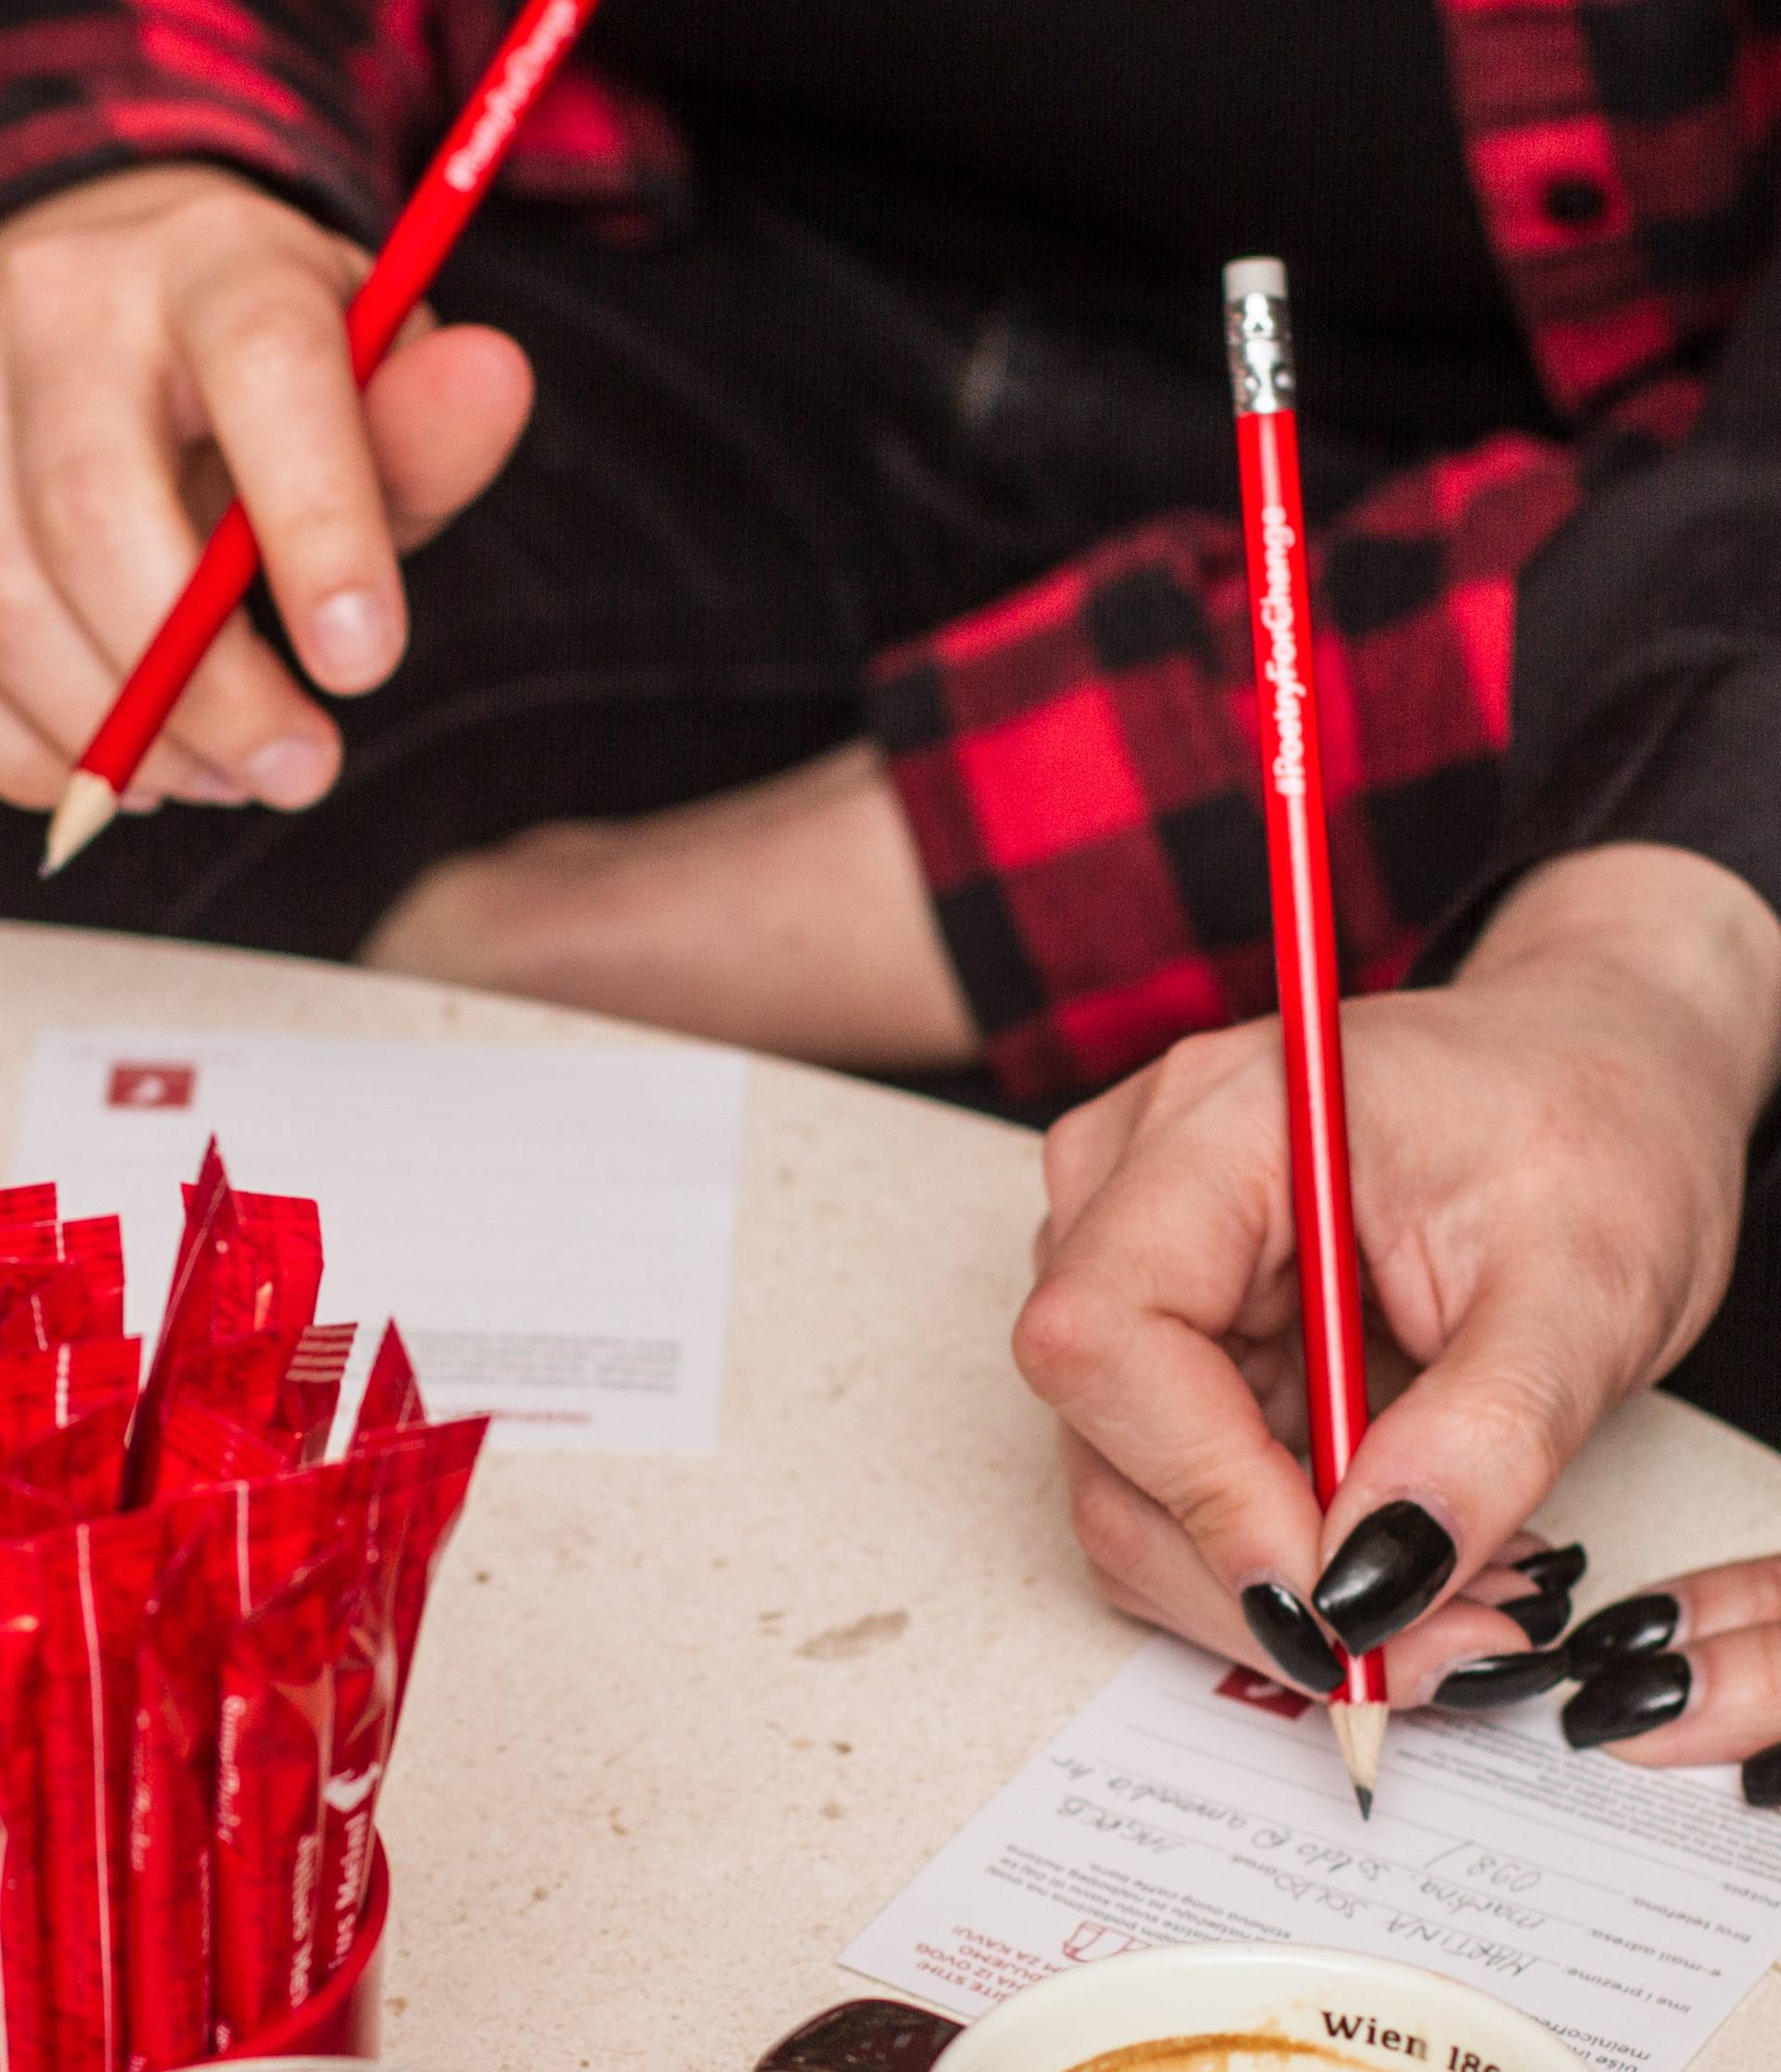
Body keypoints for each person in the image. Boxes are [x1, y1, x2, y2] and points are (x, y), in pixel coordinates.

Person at [0, 2, 1779, 1787]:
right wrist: (139, 180)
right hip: (683, 276)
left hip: (1604, 555)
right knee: (101, 704)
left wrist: (1651, 957)